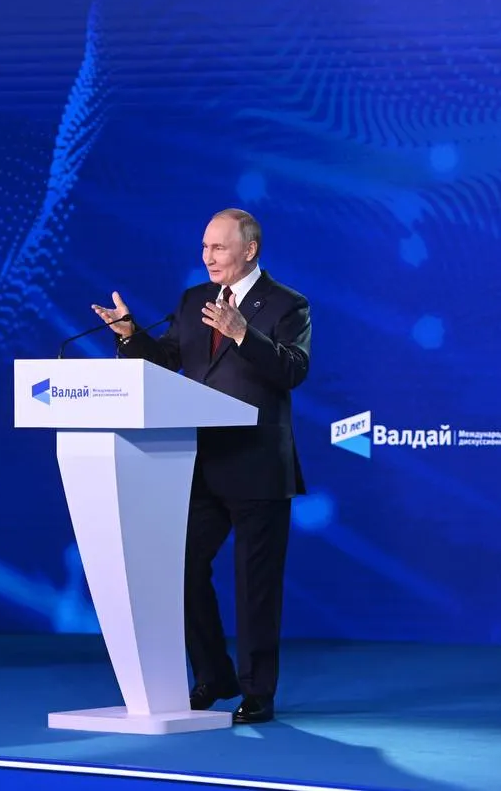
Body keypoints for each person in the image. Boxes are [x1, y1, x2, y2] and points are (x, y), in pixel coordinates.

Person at [92, 208, 310, 724]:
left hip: (258, 465)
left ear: (249, 250)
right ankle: (214, 674)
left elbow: (293, 370)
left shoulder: (288, 304)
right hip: (201, 464)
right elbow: (168, 362)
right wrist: (129, 335)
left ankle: (257, 691)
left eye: (218, 247)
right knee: (181, 569)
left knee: (256, 585)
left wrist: (243, 334)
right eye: (205, 247)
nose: (207, 256)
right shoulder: (194, 301)